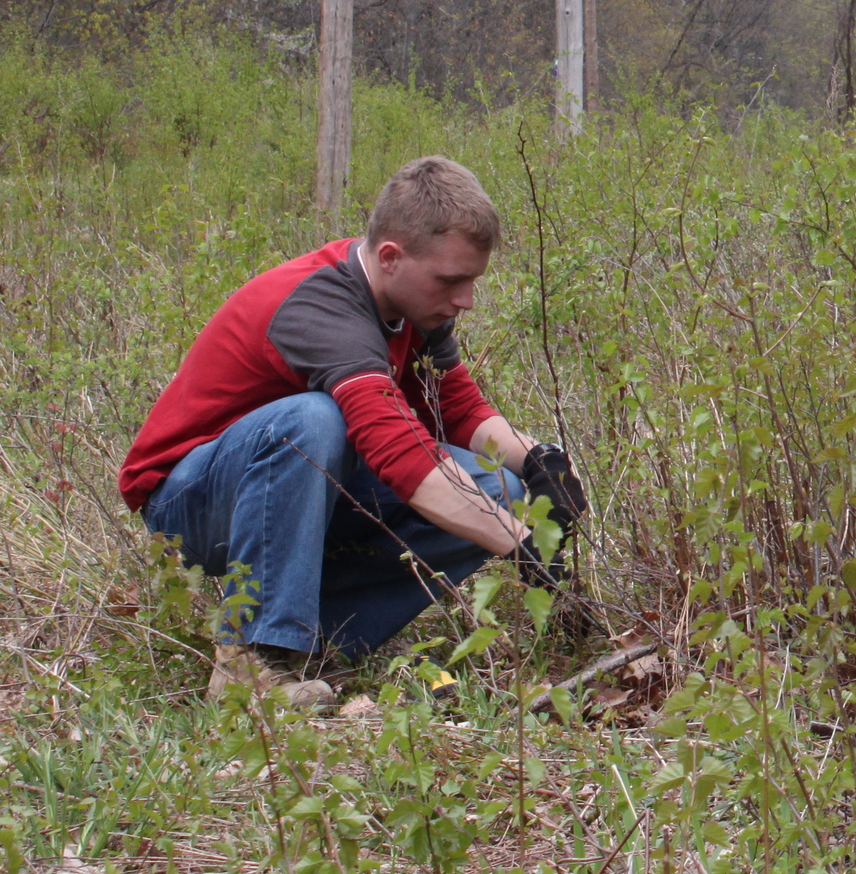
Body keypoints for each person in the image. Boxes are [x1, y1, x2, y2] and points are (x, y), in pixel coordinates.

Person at [118, 156, 588, 709]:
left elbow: (454, 405)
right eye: (451, 281)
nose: (465, 299)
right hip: (187, 511)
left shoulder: (416, 303)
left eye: (472, 281)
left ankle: (316, 642)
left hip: (290, 494)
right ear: (390, 256)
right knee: (314, 419)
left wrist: (539, 460)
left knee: (497, 489)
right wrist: (521, 542)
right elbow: (400, 455)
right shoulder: (320, 307)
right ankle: (252, 658)